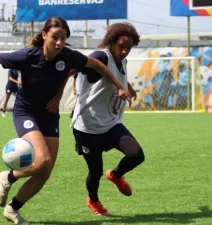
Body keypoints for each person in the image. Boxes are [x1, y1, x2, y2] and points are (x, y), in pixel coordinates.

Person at [0, 16, 131, 224]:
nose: (59, 43)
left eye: (63, 38)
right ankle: (8, 177)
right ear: (44, 35)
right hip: (26, 113)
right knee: (42, 160)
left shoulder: (69, 56)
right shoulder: (27, 55)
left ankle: (13, 209)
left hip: (49, 116)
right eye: (54, 37)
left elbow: (97, 64)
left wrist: (120, 86)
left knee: (45, 171)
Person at [71, 22, 145, 216]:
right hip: (88, 127)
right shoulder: (100, 56)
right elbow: (75, 66)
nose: (124, 51)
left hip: (111, 123)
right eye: (121, 46)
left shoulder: (123, 61)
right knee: (95, 171)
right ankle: (93, 200)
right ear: (111, 42)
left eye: (128, 48)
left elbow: (114, 74)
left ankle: (116, 174)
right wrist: (67, 87)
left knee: (137, 155)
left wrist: (127, 85)